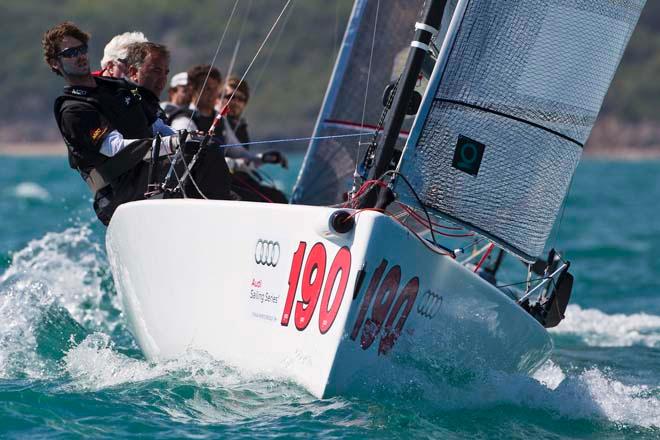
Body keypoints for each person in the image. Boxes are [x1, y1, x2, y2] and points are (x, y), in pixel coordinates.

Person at [43, 22, 232, 225]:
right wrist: (172, 144)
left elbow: (155, 126)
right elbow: (113, 148)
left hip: (148, 172)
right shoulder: (73, 109)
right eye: (70, 53)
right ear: (55, 63)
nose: (79, 56)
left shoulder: (117, 87)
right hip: (119, 191)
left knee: (207, 147)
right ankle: (214, 224)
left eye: (82, 49)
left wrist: (187, 137)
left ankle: (214, 222)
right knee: (202, 153)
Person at [218, 76, 289, 203]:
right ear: (219, 98)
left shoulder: (241, 127)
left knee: (279, 197)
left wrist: (265, 158)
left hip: (241, 177)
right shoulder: (218, 122)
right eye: (230, 97)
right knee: (268, 200)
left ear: (245, 103)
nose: (235, 102)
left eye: (240, 98)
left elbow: (244, 158)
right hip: (224, 180)